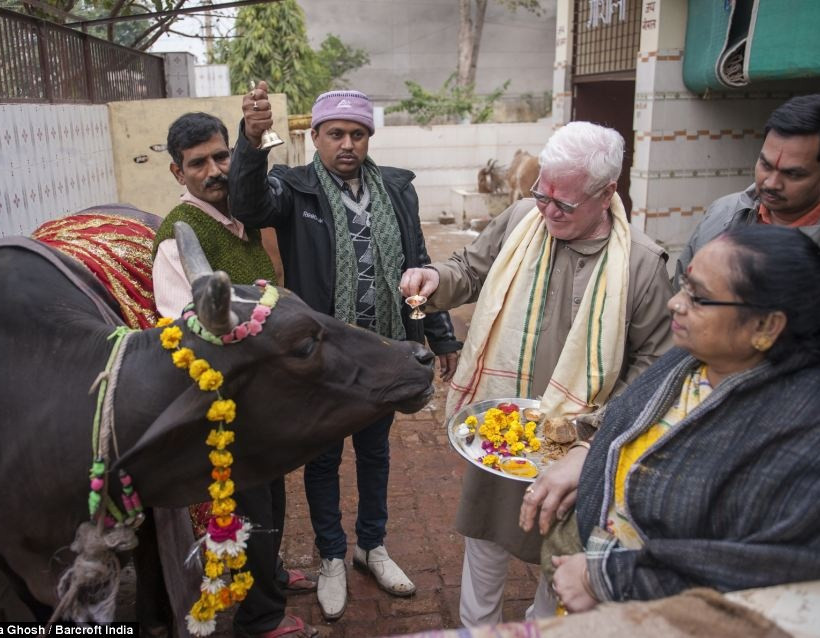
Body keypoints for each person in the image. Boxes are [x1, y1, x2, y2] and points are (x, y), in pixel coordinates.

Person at [399, 121, 674, 626]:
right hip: (500, 430)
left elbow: (654, 366)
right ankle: (475, 631)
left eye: (563, 203)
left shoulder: (641, 264)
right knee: (484, 542)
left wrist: (596, 432)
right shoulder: (523, 218)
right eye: (540, 192)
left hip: (576, 449)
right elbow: (472, 268)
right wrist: (436, 278)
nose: (547, 209)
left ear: (607, 192)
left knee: (561, 561)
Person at [227, 84, 463, 620]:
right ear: (316, 137)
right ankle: (332, 554)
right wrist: (250, 138)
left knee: (377, 454)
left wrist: (442, 334)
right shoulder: (295, 189)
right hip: (325, 361)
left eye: (358, 134)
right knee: (325, 459)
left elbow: (419, 260)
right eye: (336, 133)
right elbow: (246, 203)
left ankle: (370, 547)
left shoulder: (397, 190)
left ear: (369, 138)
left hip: (382, 351)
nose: (348, 144)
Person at [520, 224, 820, 611]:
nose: (675, 303)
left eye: (699, 298)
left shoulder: (800, 434)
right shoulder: (689, 361)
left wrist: (605, 578)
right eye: (684, 285)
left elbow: (760, 568)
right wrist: (587, 450)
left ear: (766, 325)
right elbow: (629, 420)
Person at [152, 112, 318, 638]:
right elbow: (185, 328)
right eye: (197, 163)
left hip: (265, 393)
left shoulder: (248, 217)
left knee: (271, 494)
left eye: (221, 156)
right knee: (248, 506)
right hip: (227, 401)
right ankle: (260, 617)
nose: (214, 170)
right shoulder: (177, 238)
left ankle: (268, 575)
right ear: (178, 174)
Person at [675, 93, 820, 282]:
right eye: (765, 165)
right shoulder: (723, 213)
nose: (771, 183)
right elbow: (681, 291)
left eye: (792, 174)